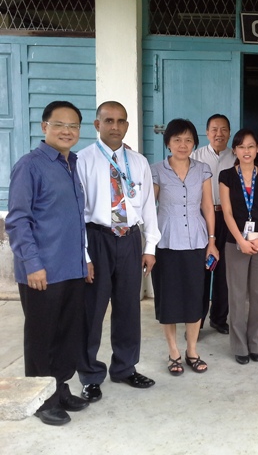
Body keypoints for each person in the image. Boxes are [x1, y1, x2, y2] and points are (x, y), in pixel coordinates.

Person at [6, 101, 89, 425]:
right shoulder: (30, 166)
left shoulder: (71, 164)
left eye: (73, 126)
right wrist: (32, 263)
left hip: (71, 267)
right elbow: (18, 220)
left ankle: (60, 388)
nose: (67, 131)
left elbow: (74, 221)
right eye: (60, 125)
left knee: (67, 333)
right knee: (42, 336)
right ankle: (41, 399)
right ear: (45, 127)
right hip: (43, 270)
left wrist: (85, 261)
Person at [76, 101, 161, 402]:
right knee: (92, 310)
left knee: (128, 307)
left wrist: (149, 246)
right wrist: (84, 255)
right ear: (97, 125)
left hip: (129, 239)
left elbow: (148, 206)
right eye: (108, 120)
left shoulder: (138, 162)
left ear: (127, 126)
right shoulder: (82, 161)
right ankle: (89, 374)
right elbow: (76, 212)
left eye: (120, 121)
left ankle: (125, 367)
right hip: (97, 238)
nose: (115, 126)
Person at [150, 119, 219, 375]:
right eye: (177, 139)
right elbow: (149, 207)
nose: (183, 145)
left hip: (196, 242)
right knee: (167, 298)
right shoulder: (156, 170)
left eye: (188, 140)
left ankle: (191, 350)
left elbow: (207, 206)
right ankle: (173, 352)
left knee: (194, 297)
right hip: (165, 241)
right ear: (168, 142)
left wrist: (212, 241)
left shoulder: (202, 169)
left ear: (194, 143)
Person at [219, 128, 258, 365]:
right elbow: (227, 212)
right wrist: (241, 241)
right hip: (236, 244)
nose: (246, 151)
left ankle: (255, 343)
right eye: (242, 146)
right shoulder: (226, 176)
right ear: (235, 150)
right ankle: (239, 346)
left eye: (251, 146)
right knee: (237, 296)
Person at [191, 114, 236, 335]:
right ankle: (196, 321)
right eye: (214, 129)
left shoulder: (236, 157)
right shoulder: (195, 157)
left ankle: (219, 319)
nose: (219, 134)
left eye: (224, 129)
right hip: (201, 218)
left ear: (229, 132)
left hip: (228, 218)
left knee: (224, 271)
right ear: (207, 132)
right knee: (202, 270)